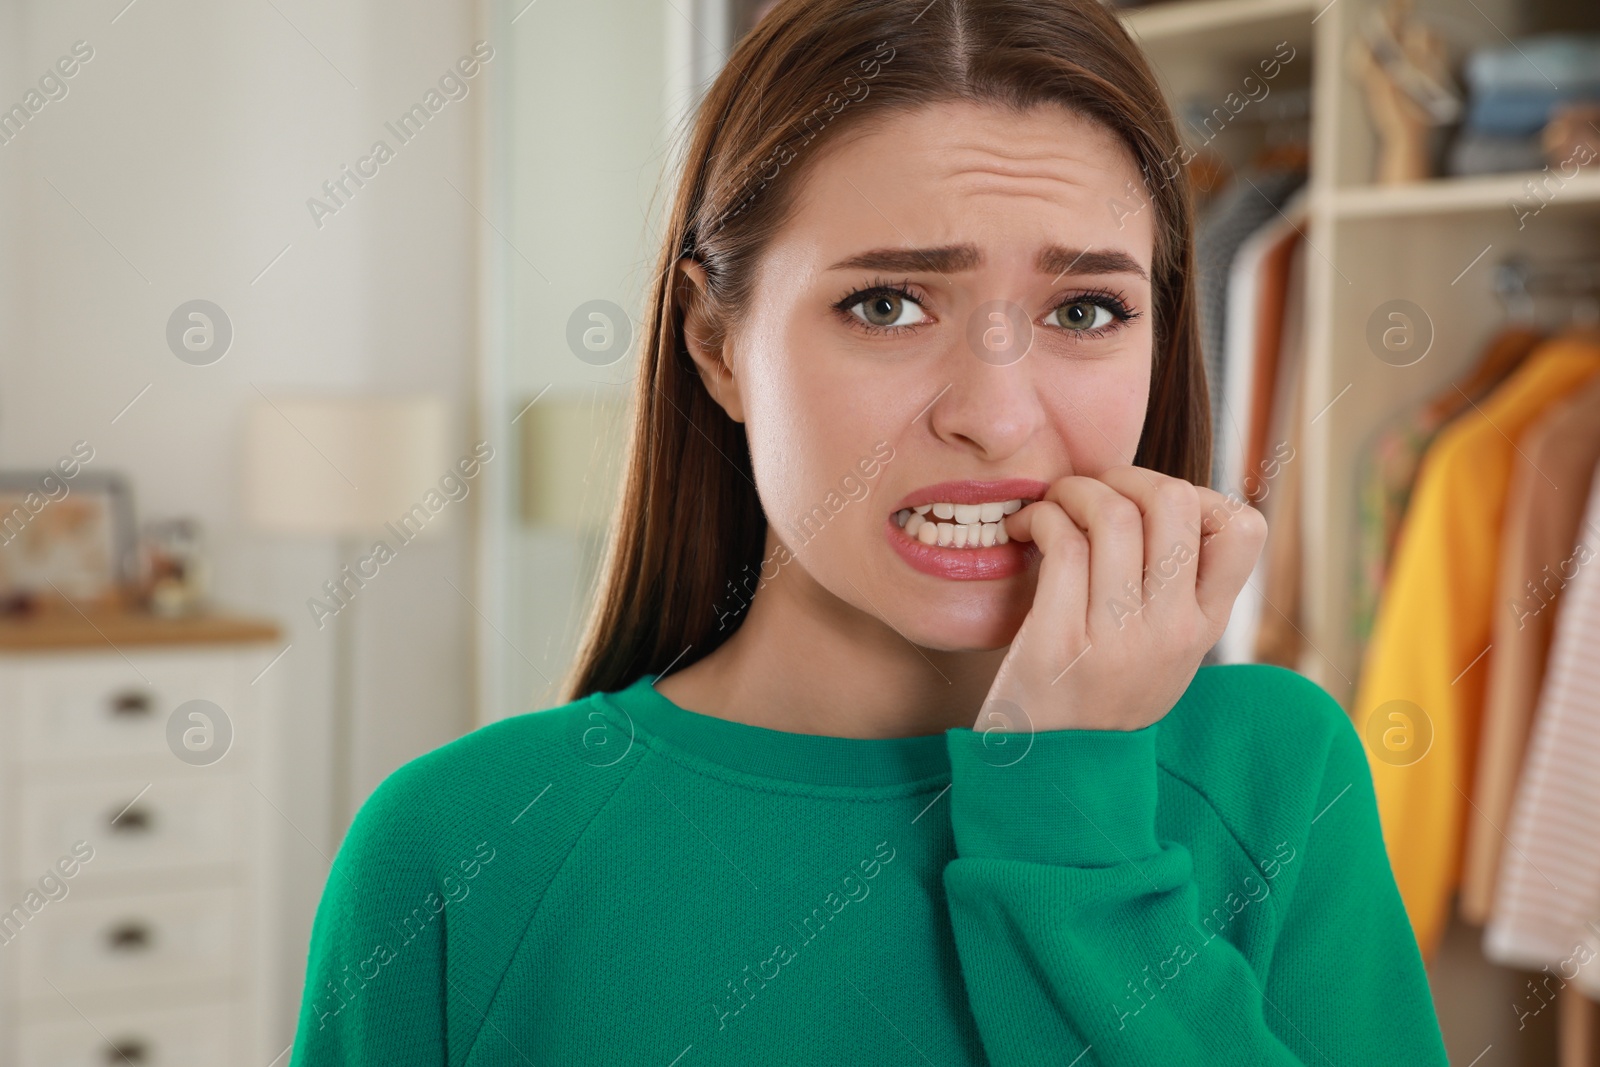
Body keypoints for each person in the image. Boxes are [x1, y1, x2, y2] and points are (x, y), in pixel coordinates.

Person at [287, 0, 1449, 1062]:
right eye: (887, 304)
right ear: (715, 341)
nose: (996, 416)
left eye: (1085, 308)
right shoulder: (459, 847)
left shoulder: (1274, 772)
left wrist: (1068, 816)